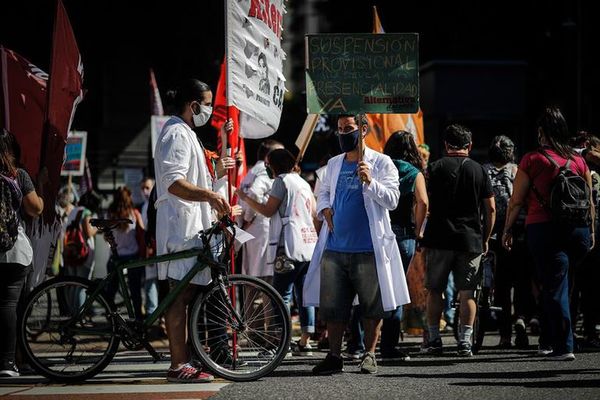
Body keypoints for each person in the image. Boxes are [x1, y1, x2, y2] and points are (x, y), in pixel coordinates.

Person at [304, 113, 410, 375]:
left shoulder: (382, 163)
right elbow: (324, 193)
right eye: (340, 129)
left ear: (363, 129)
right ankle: (334, 356)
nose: (343, 134)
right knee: (333, 306)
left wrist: (371, 183)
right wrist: (325, 208)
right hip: (335, 248)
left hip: (368, 249)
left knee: (371, 306)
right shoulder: (333, 164)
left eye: (348, 128)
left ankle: (370, 354)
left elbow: (392, 200)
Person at [154, 78, 233, 383]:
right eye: (208, 103)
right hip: (180, 228)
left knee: (188, 295)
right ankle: (177, 366)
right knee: (179, 297)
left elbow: (195, 176)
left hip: (192, 228)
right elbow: (174, 182)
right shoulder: (176, 133)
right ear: (193, 105)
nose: (210, 110)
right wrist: (211, 196)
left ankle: (186, 360)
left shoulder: (188, 134)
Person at [503, 107, 594, 361]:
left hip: (544, 227)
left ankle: (564, 344)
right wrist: (592, 231)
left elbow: (517, 201)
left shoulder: (532, 160)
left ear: (541, 132)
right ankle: (548, 339)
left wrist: (508, 228)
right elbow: (590, 200)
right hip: (578, 229)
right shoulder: (579, 161)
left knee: (553, 284)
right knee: (563, 284)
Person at [421, 124, 496, 357]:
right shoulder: (479, 170)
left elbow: (423, 202)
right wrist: (485, 238)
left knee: (435, 291)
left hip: (438, 238)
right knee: (467, 292)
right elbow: (491, 209)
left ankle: (433, 339)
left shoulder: (433, 169)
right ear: (469, 146)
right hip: (470, 239)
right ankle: (464, 342)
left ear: (445, 145)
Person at [236, 148, 318, 356]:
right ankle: (305, 341)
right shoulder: (303, 183)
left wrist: (245, 197)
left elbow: (267, 210)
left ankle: (280, 343)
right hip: (308, 244)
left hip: (287, 246)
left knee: (280, 296)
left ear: (274, 166)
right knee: (304, 294)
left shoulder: (281, 182)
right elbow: (315, 213)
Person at [380, 130, 429, 360]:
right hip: (403, 235)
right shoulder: (413, 172)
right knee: (396, 290)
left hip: (378, 232)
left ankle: (358, 344)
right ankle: (388, 347)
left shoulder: (380, 167)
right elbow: (423, 202)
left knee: (372, 288)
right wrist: (418, 230)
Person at [0, 130, 44, 377]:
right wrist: (43, 192)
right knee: (11, 306)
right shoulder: (17, 176)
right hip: (14, 251)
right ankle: (10, 362)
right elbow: (35, 209)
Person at [483, 136, 533, 349]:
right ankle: (521, 317)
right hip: (519, 231)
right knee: (522, 280)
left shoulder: (483, 171)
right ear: (511, 153)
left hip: (492, 233)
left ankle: (505, 335)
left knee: (501, 285)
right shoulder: (518, 171)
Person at [237, 139, 284, 280]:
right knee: (266, 279)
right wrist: (249, 218)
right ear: (269, 157)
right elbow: (255, 193)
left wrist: (245, 220)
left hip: (250, 230)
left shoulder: (251, 172)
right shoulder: (265, 170)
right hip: (261, 227)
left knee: (252, 276)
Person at [105, 187, 146, 320]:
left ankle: (111, 318)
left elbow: (106, 237)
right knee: (135, 291)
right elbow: (142, 233)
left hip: (116, 256)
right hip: (133, 256)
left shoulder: (110, 215)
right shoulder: (134, 214)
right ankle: (138, 319)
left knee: (111, 290)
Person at [139, 177, 159, 318]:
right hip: (151, 249)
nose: (145, 191)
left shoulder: (151, 204)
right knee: (151, 282)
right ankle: (153, 315)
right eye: (143, 188)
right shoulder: (145, 206)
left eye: (147, 187)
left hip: (156, 248)